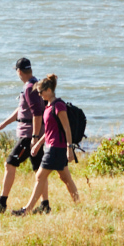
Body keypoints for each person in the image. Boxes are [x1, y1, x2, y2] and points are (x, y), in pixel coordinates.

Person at [14, 73, 82, 215]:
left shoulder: (59, 106)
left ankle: (27, 210)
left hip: (57, 149)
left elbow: (67, 128)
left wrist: (70, 148)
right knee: (65, 178)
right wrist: (38, 144)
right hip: (51, 147)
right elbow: (49, 131)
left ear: (49, 90)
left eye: (41, 92)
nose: (40, 95)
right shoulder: (48, 107)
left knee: (40, 176)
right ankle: (79, 205)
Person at [0, 57, 42, 212]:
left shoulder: (30, 88)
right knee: (39, 170)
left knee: (10, 163)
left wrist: (35, 139)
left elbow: (37, 114)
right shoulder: (34, 85)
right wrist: (4, 124)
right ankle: (45, 205)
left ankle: (1, 203)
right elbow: (21, 110)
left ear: (19, 71)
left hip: (29, 136)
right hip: (32, 135)